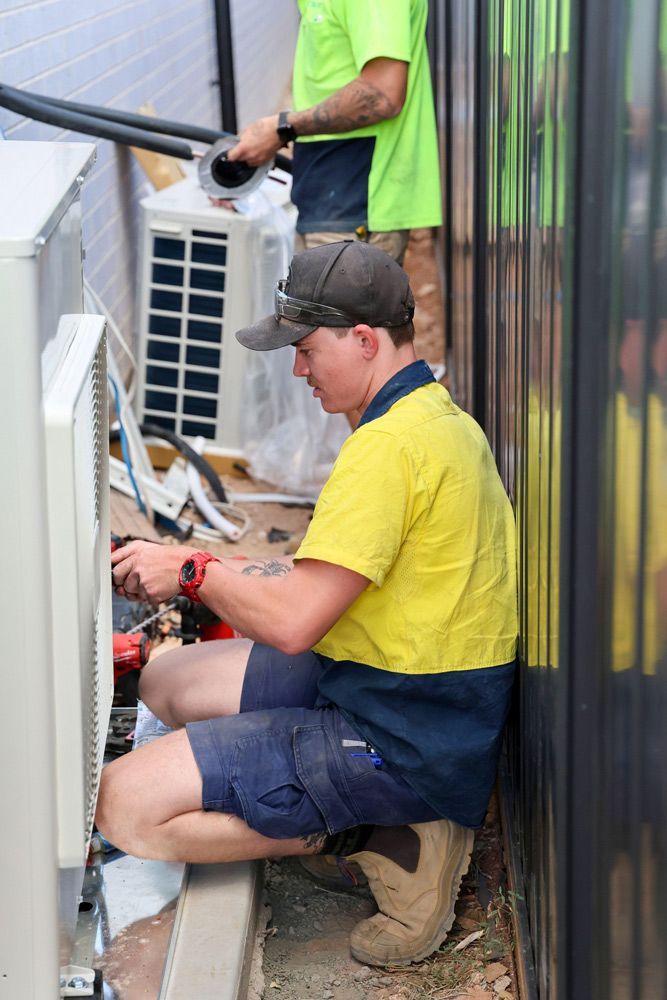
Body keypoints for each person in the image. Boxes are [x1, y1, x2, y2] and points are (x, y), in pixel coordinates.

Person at [99, 241, 517, 967]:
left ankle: (391, 833)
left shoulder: (387, 449)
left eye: (306, 349)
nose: (297, 370)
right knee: (167, 683)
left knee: (122, 807)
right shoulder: (428, 416)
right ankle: (311, 782)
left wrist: (195, 570)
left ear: (362, 339)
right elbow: (331, 573)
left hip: (407, 737)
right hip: (392, 683)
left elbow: (293, 622)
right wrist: (225, 570)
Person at [227, 0, 441, 264]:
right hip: (329, 192)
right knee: (309, 301)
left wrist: (282, 129)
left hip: (359, 198)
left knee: (335, 303)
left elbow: (382, 94)